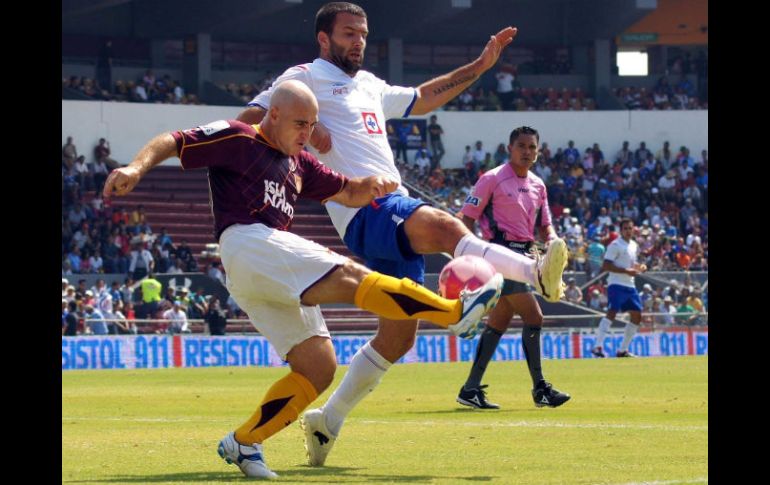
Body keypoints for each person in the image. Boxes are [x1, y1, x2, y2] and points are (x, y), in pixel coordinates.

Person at [103, 80, 503, 479]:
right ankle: (453, 312)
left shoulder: (301, 164)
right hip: (247, 240)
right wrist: (136, 167)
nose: (307, 134)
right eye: (299, 124)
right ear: (273, 115)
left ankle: (245, 441)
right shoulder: (239, 137)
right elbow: (173, 140)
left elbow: (347, 191)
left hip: (258, 272)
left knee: (318, 367)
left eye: (312, 125)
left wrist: (371, 187)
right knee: (350, 275)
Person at [239, 2, 568, 466]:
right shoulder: (303, 77)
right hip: (362, 207)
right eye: (349, 33)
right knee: (442, 224)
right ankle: (531, 272)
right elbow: (249, 122)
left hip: (384, 209)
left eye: (364, 34)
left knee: (399, 336)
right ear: (324, 39)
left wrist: (479, 66)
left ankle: (326, 423)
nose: (358, 42)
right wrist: (302, 133)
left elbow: (423, 97)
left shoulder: (369, 85)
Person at [453, 126, 570, 410]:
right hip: (498, 255)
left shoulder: (538, 185)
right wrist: (471, 259)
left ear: (538, 151)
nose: (527, 152)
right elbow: (465, 220)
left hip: (527, 258)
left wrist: (553, 241)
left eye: (532, 147)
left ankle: (470, 390)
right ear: (509, 148)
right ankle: (540, 389)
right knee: (534, 316)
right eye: (522, 146)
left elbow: (544, 224)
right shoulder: (491, 179)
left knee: (500, 320)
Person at [591, 218, 648, 358]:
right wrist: (626, 271)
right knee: (612, 312)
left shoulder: (634, 245)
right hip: (616, 284)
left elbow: (632, 264)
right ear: (621, 230)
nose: (629, 231)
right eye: (626, 228)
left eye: (630, 228)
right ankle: (597, 346)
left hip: (630, 284)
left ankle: (623, 350)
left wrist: (640, 267)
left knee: (637, 315)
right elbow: (606, 265)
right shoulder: (615, 245)